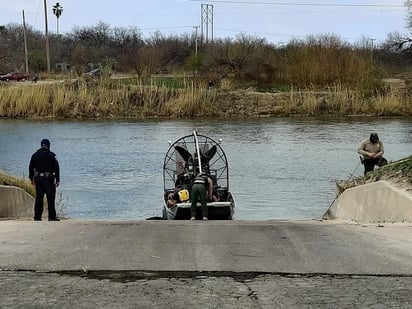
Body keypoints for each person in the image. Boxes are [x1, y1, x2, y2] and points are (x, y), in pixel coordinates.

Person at [29, 139, 60, 221]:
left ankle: (37, 217)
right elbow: (57, 168)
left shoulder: (35, 155)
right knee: (50, 198)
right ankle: (52, 217)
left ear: (41, 145)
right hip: (49, 179)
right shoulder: (52, 155)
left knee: (39, 198)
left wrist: (31, 178)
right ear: (48, 145)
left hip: (38, 179)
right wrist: (57, 180)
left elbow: (31, 167)